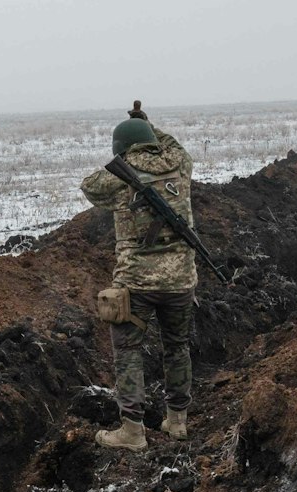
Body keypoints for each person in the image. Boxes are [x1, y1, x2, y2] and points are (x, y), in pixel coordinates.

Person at [80, 102, 197, 451]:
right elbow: (171, 143)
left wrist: (127, 157)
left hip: (136, 283)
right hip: (181, 280)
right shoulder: (181, 163)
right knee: (177, 346)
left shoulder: (119, 175)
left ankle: (132, 431)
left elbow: (89, 186)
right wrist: (149, 126)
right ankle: (178, 421)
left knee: (128, 350)